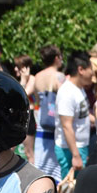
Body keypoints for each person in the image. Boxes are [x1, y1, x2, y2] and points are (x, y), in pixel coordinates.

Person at [55, 51, 95, 193]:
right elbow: (66, 125)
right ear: (81, 69)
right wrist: (76, 155)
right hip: (71, 149)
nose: (92, 75)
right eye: (90, 70)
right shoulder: (67, 91)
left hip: (79, 147)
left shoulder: (77, 89)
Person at [31, 45, 65, 180]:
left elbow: (37, 99)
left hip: (41, 119)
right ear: (56, 58)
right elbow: (63, 96)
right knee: (56, 163)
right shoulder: (59, 76)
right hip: (55, 120)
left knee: (42, 159)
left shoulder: (38, 76)